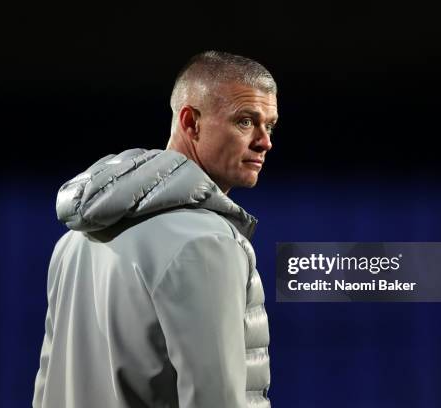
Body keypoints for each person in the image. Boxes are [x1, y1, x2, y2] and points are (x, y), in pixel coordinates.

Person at [33, 50, 278, 408]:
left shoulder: (73, 242)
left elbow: (48, 387)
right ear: (191, 122)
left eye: (269, 126)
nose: (264, 141)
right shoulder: (207, 242)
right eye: (245, 121)